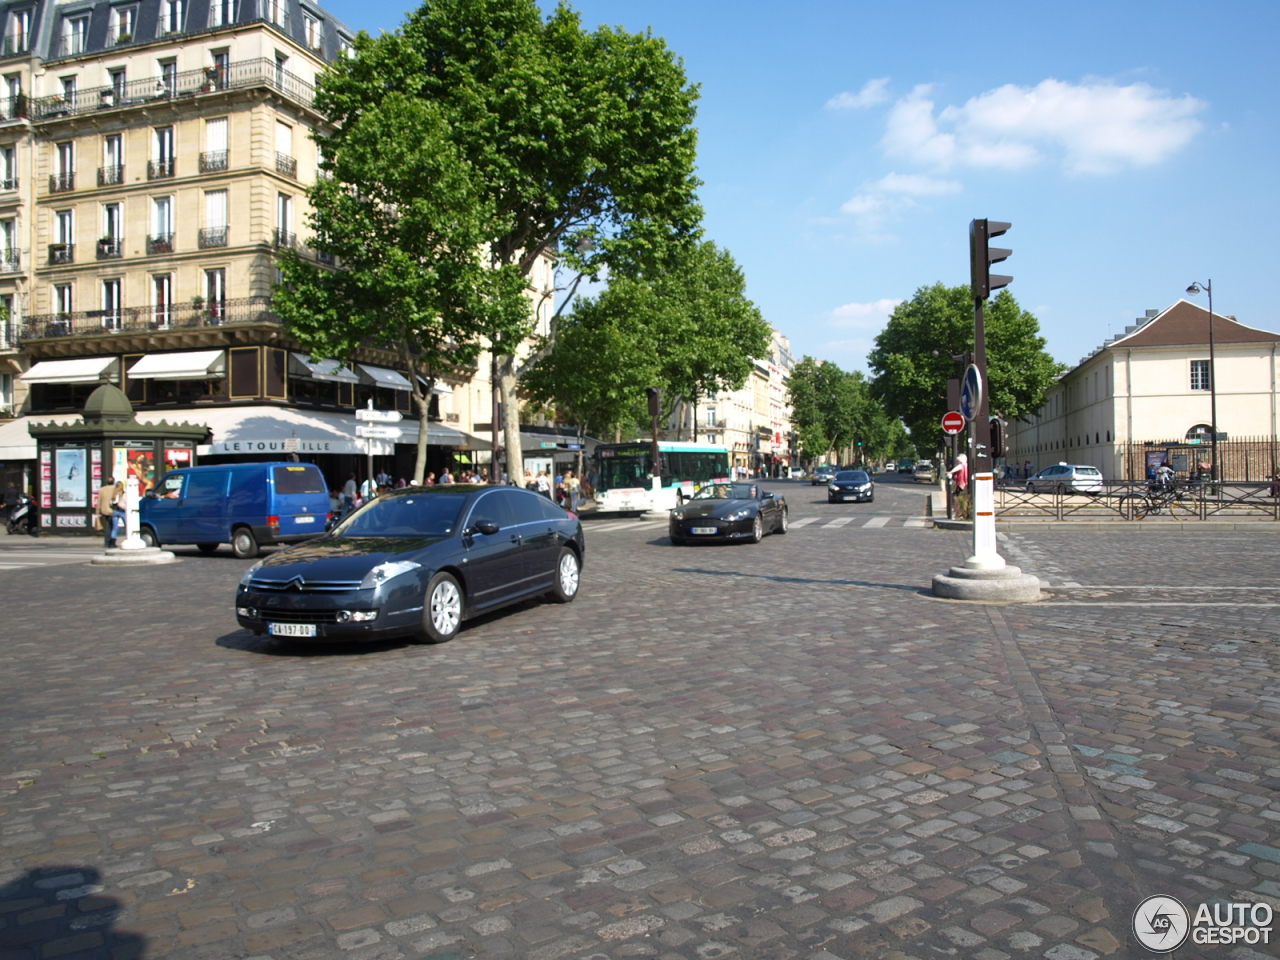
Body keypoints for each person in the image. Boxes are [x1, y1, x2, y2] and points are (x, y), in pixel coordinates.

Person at [97, 476, 116, 547]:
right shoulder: (114, 489)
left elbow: (99, 501)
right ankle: (111, 541)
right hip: (112, 510)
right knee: (113, 526)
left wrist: (98, 510)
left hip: (104, 510)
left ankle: (107, 541)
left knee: (107, 526)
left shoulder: (102, 489)